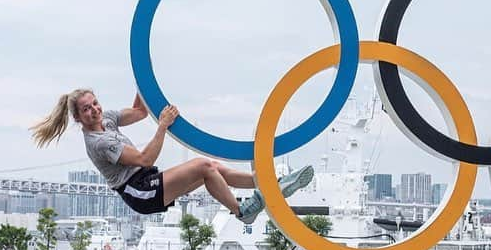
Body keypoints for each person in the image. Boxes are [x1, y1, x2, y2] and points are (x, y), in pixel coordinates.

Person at [30, 88, 314, 224]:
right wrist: (163, 125)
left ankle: (266, 185)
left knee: (211, 167)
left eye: (95, 103)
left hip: (146, 182)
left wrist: (143, 76)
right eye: (86, 109)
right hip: (137, 190)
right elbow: (144, 160)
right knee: (203, 166)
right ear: (78, 118)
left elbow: (140, 111)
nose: (94, 110)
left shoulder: (109, 120)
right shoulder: (98, 141)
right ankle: (244, 212)